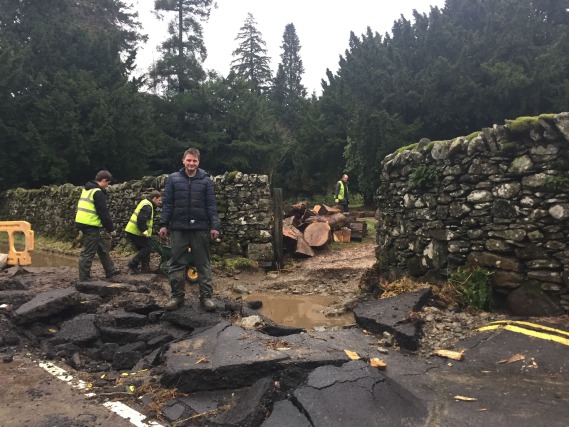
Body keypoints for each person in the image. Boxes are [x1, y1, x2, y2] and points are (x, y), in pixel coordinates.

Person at [158, 148, 220, 311]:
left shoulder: (206, 181)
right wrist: (163, 224)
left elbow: (211, 205)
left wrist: (214, 226)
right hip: (178, 228)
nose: (192, 163)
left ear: (198, 162)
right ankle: (177, 297)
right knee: (177, 263)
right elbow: (168, 204)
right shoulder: (173, 179)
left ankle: (206, 298)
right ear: (183, 161)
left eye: (195, 161)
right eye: (189, 160)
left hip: (200, 228)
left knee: (203, 264)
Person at [75, 170, 120, 281]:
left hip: (83, 222)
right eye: (108, 183)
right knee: (88, 252)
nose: (108, 186)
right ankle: (84, 278)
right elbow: (103, 213)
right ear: (104, 180)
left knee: (102, 247)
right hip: (90, 224)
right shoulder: (97, 192)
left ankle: (110, 270)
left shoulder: (86, 189)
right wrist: (111, 229)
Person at [125, 190, 162, 274]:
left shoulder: (146, 203)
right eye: (159, 200)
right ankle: (132, 264)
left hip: (134, 230)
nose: (160, 202)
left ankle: (145, 268)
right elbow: (141, 220)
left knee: (145, 248)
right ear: (155, 198)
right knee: (146, 248)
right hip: (135, 231)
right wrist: (144, 231)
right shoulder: (147, 206)